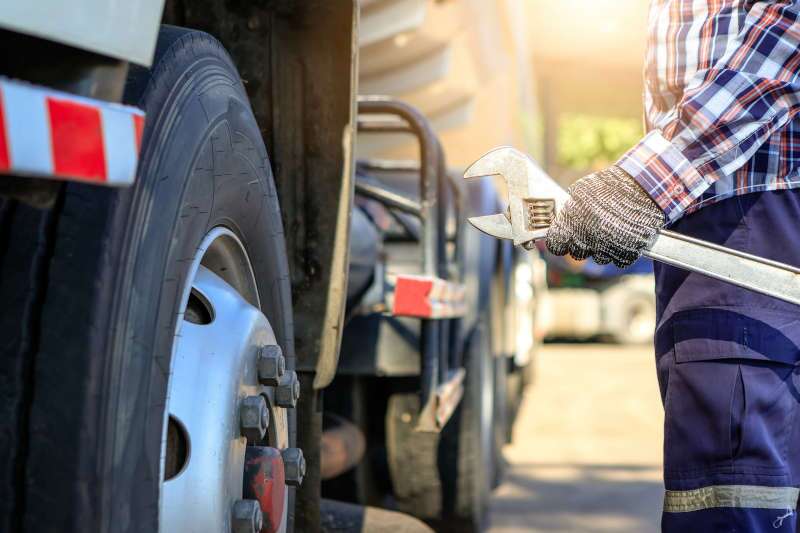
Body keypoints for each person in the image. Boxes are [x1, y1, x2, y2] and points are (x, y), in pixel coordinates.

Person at [545, 2, 800, 531]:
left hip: (747, 217)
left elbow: (784, 38)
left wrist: (644, 182)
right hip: (720, 213)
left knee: (733, 502)